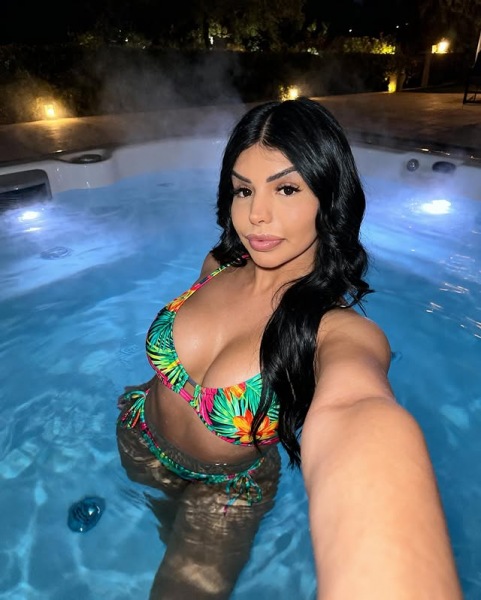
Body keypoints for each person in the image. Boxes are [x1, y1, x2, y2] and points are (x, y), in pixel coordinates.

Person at [116, 97, 462, 600]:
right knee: (157, 533)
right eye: (243, 189)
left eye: (286, 188)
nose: (256, 214)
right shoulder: (216, 266)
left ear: (328, 197)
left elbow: (358, 410)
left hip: (225, 491)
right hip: (138, 434)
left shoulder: (335, 332)